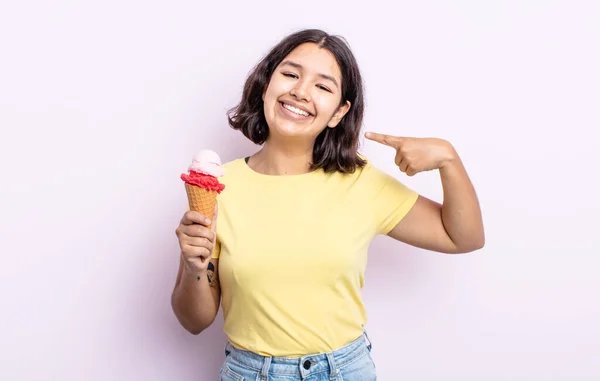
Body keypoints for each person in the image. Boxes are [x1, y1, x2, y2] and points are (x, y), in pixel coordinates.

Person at [171, 28, 484, 380]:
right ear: (264, 87)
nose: (301, 92)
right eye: (290, 74)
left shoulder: (361, 181)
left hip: (345, 370)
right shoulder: (218, 187)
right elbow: (194, 321)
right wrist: (193, 265)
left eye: (322, 86)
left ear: (338, 112)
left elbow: (464, 237)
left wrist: (449, 160)